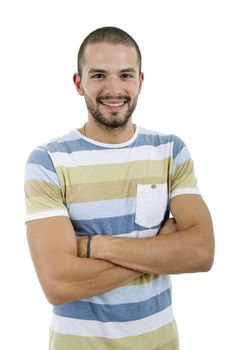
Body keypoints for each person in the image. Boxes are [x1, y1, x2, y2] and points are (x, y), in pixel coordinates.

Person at [24, 26, 215, 350]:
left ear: (140, 81)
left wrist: (95, 246)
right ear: (78, 82)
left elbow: (201, 252)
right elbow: (58, 283)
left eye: (125, 75)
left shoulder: (170, 150)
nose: (114, 89)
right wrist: (161, 250)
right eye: (98, 75)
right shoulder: (48, 161)